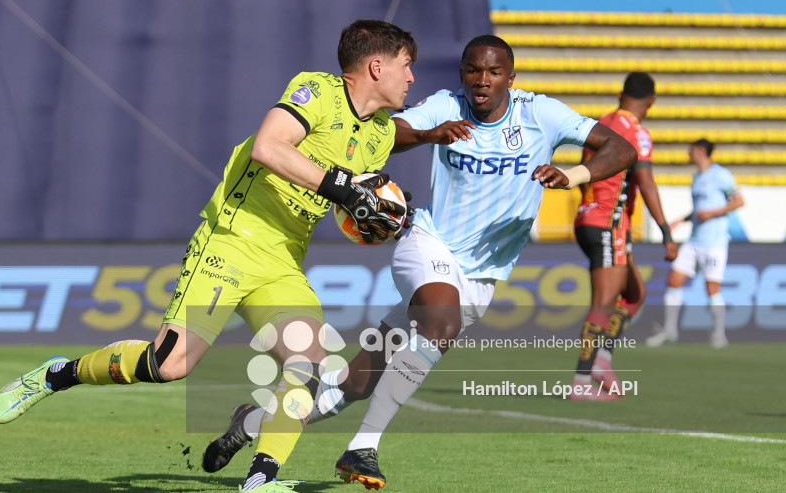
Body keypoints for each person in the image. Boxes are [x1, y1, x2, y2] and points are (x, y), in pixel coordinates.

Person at [0, 19, 418, 493]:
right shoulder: (316, 91)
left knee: (311, 364)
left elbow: (349, 206)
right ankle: (58, 374)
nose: (411, 77)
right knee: (168, 365)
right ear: (376, 66)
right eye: (406, 65)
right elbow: (268, 147)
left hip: (283, 260)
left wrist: (379, 215)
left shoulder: (381, 134)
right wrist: (346, 189)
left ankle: (261, 478)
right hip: (229, 240)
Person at [201, 34, 637, 489]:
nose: (482, 80)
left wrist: (574, 173)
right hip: (429, 245)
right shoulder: (447, 105)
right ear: (462, 74)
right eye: (472, 70)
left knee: (353, 386)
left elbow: (622, 149)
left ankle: (249, 423)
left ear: (511, 78)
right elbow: (388, 133)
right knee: (442, 322)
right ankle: (363, 448)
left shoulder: (540, 114)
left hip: (482, 275)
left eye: (493, 72)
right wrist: (431, 133)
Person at [569, 72, 678, 400]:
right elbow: (646, 183)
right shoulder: (637, 133)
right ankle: (581, 382)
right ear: (651, 102)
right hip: (609, 224)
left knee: (633, 294)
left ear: (620, 95)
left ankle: (601, 361)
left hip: (587, 217)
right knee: (604, 303)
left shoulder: (599, 124)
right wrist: (666, 232)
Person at [646, 139, 744, 349]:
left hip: (714, 242)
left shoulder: (720, 174)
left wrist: (713, 213)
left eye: (690, 150)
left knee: (712, 289)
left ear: (700, 151)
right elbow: (700, 210)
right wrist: (682, 220)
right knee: (673, 280)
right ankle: (670, 330)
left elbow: (739, 201)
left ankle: (719, 335)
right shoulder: (697, 177)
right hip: (694, 240)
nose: (688, 154)